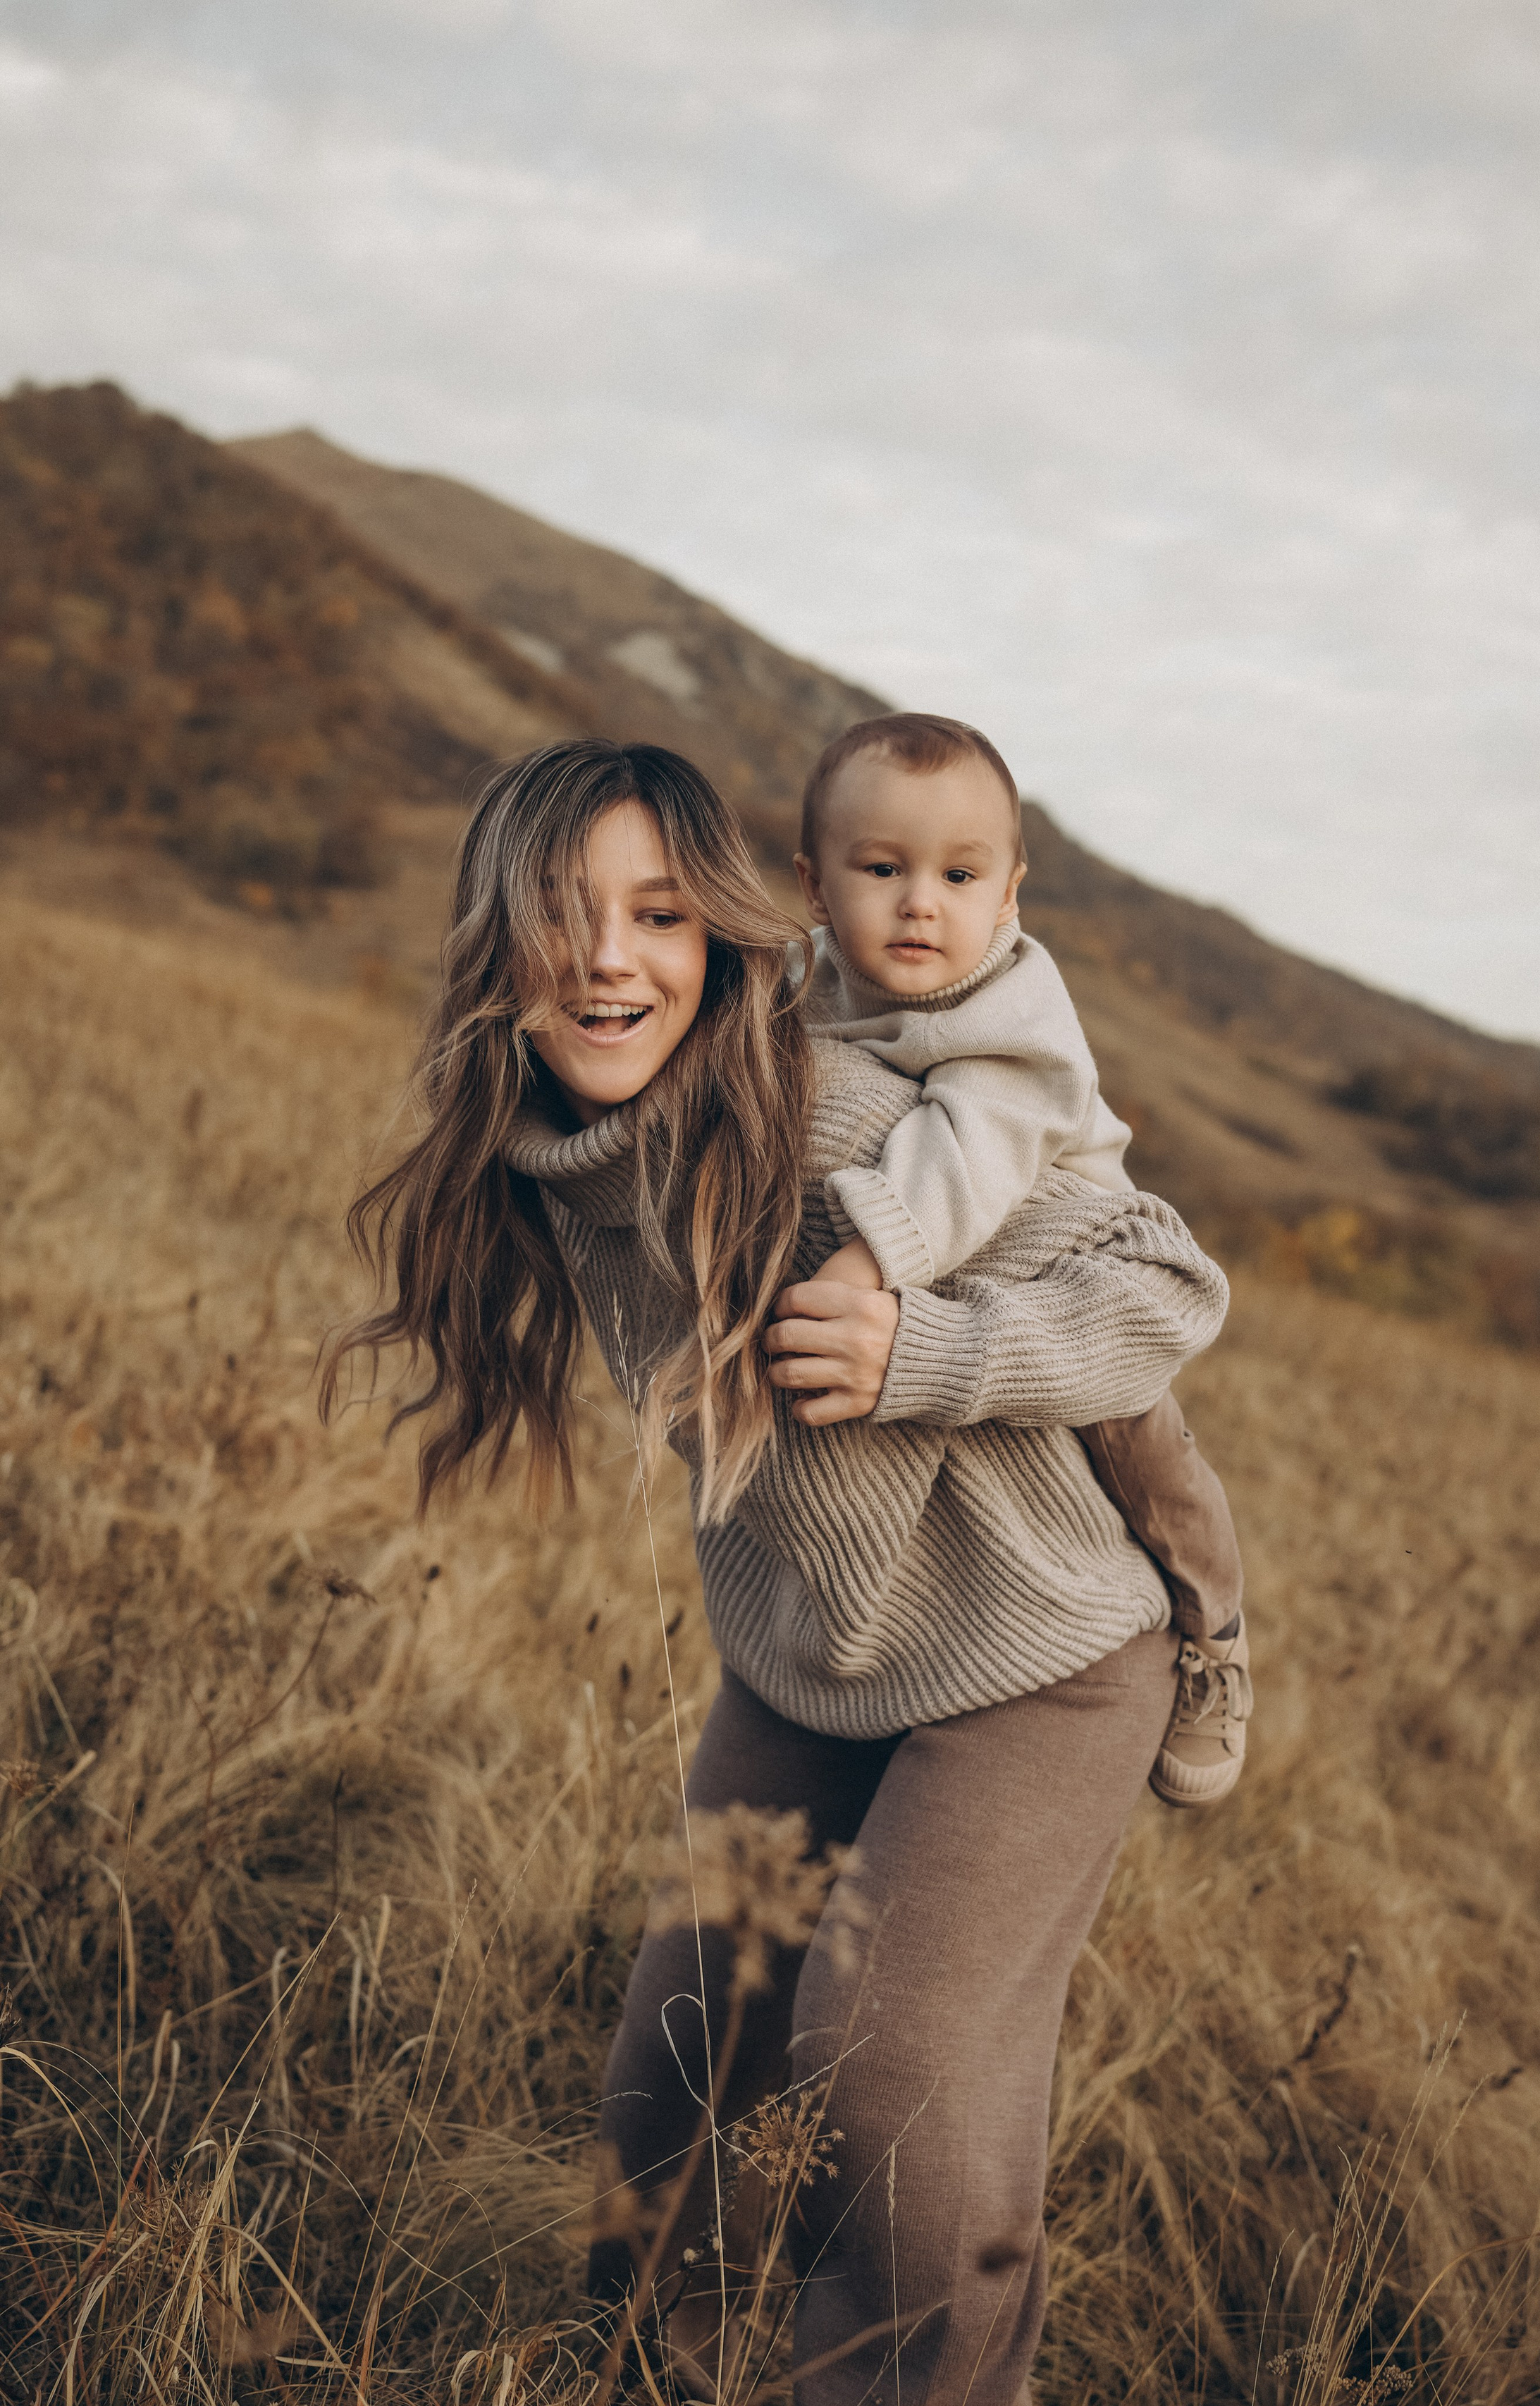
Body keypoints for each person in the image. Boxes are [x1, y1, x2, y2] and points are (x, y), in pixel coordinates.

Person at [328, 737, 1231, 2406]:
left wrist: (923, 1352)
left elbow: (1166, 1285)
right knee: (674, 2071)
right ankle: (632, 2369)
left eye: (659, 915)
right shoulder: (550, 1148)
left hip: (1037, 1662)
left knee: (881, 2071)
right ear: (492, 943)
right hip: (813, 1663)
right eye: (561, 914)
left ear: (724, 940)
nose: (609, 958)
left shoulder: (832, 1116)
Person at [792, 711, 1251, 1806]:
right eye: (883, 868)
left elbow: (967, 1154)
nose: (921, 901)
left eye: (959, 873)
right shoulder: (808, 978)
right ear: (815, 887)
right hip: (948, 1266)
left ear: (1008, 894)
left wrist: (856, 1269)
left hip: (1065, 1275)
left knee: (1146, 1458)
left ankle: (1213, 1630)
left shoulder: (1015, 1006)